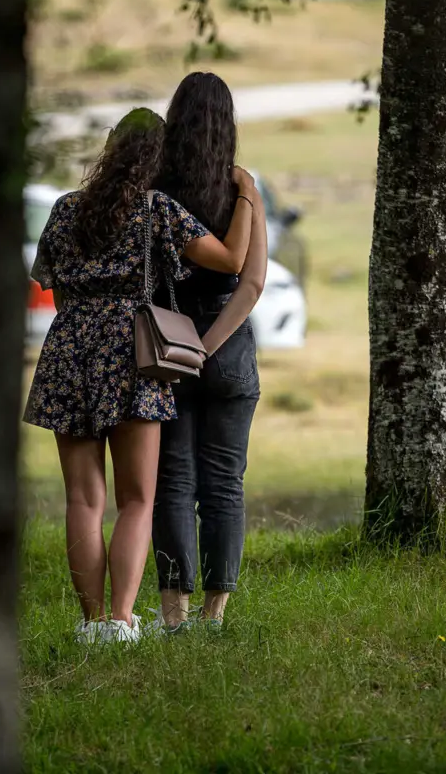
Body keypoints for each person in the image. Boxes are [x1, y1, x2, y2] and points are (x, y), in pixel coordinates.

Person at [23, 107, 256, 645]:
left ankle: (90, 623)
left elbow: (50, 281)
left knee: (83, 500)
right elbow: (231, 260)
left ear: (110, 148)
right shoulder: (156, 210)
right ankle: (123, 621)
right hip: (131, 352)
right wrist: (245, 192)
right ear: (158, 158)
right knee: (136, 499)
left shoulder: (65, 208)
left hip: (68, 349)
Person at [150, 72, 268, 633]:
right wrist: (210, 347)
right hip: (229, 351)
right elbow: (252, 283)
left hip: (163, 346)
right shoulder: (242, 191)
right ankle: (214, 615)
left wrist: (185, 350)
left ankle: (173, 615)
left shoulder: (156, 191)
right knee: (224, 481)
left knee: (172, 479)